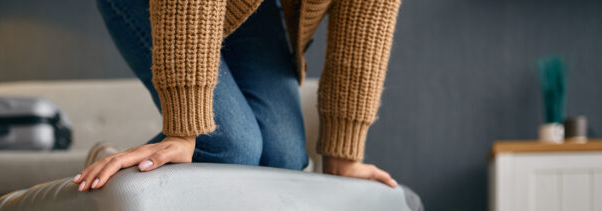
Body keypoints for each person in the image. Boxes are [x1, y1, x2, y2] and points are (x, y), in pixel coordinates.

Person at [74, 0, 401, 192]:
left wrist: (344, 159)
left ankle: (116, 159)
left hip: (256, 9)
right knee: (229, 146)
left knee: (284, 161)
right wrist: (183, 132)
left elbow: (367, 19)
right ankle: (109, 187)